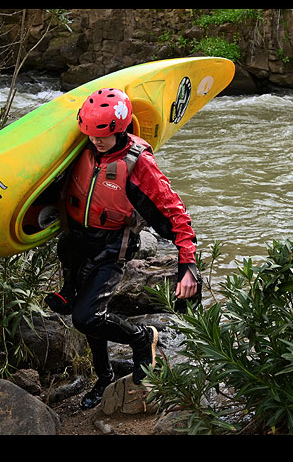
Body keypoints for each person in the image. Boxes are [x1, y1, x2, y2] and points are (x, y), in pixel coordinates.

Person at [44, 87, 200, 410]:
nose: (97, 141)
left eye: (104, 135)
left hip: (113, 248)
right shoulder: (84, 148)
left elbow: (174, 211)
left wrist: (188, 262)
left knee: (85, 317)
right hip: (79, 243)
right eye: (91, 134)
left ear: (121, 128)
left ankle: (142, 337)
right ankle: (104, 377)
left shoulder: (137, 164)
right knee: (88, 310)